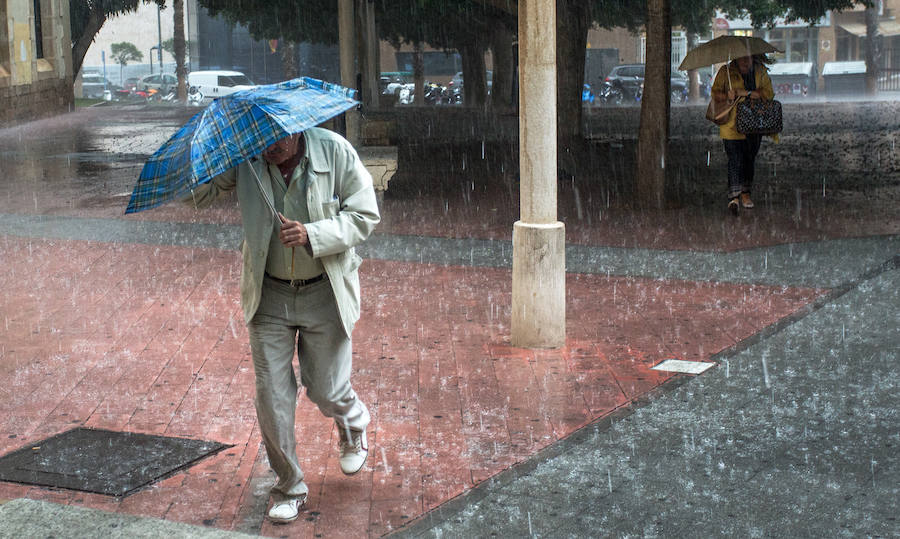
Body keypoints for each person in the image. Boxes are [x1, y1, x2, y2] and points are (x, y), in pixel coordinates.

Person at [187, 127, 380, 523]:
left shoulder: (334, 151)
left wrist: (313, 234)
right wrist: (200, 160)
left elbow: (365, 216)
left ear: (296, 130)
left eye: (275, 140)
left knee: (325, 388)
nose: (267, 148)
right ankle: (289, 485)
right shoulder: (246, 157)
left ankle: (352, 423)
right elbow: (201, 196)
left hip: (324, 290)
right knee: (272, 395)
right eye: (260, 140)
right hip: (269, 293)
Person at [711, 53, 775, 214]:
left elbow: (769, 93)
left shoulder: (760, 72)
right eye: (742, 58)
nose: (746, 62)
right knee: (734, 159)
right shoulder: (726, 72)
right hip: (731, 124)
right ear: (736, 58)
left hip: (754, 124)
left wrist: (749, 93)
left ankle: (746, 193)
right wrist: (727, 95)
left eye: (748, 58)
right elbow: (715, 93)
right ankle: (734, 196)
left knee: (749, 158)